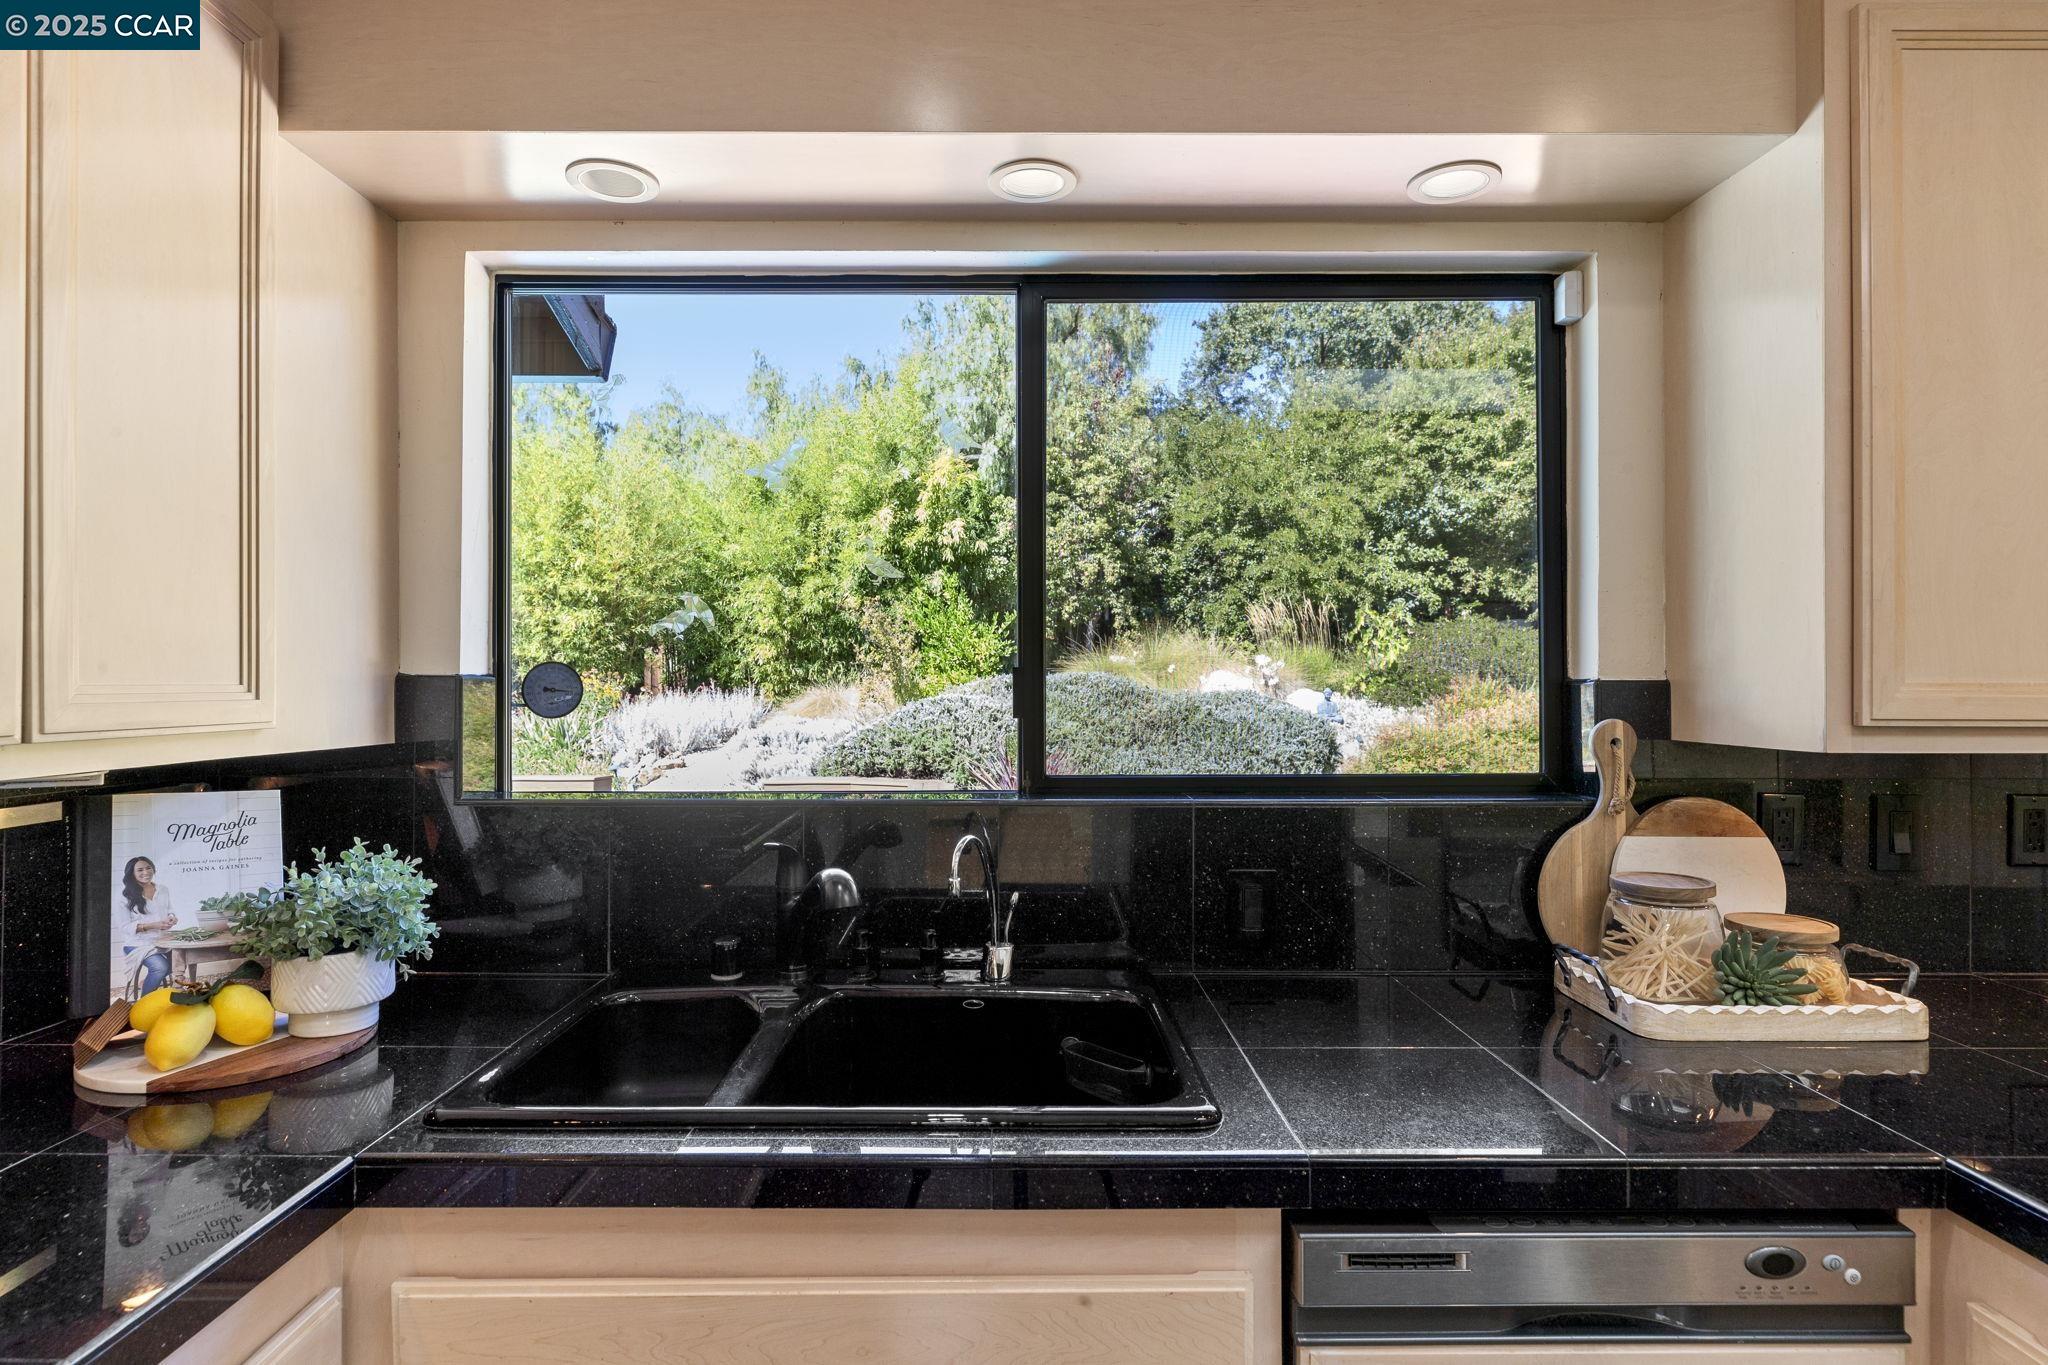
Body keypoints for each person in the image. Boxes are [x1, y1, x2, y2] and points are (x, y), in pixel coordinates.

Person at [117, 856, 177, 998]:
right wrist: (152, 925)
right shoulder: (124, 896)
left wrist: (172, 918)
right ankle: (144, 1003)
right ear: (132, 873)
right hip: (137, 944)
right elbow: (124, 927)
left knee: (183, 959)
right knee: (160, 967)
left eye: (148, 867)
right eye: (140, 870)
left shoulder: (163, 889)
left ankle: (148, 982)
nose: (146, 872)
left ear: (153, 869)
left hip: (162, 940)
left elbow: (170, 909)